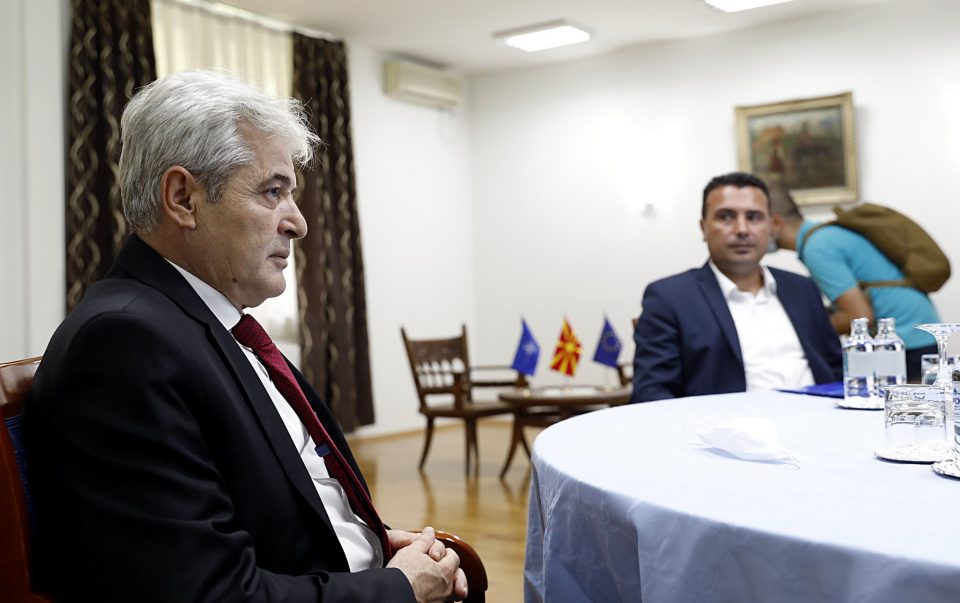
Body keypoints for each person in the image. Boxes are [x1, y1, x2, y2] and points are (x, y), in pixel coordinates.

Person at [25, 70, 467, 603]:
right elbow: (207, 593)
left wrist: (374, 544)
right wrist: (399, 588)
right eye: (272, 192)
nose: (298, 223)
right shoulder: (124, 345)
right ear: (183, 199)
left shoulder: (209, 324)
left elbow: (276, 506)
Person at [630, 172, 842, 403]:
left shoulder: (802, 289)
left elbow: (837, 368)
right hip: (725, 423)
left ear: (772, 227)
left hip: (817, 417)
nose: (742, 229)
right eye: (726, 217)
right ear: (703, 228)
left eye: (754, 217)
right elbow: (652, 392)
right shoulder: (670, 298)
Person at [768, 185, 939, 382]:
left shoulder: (817, 248)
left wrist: (799, 328)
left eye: (754, 219)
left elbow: (860, 317)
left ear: (775, 222)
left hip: (903, 341)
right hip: (918, 330)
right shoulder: (827, 234)